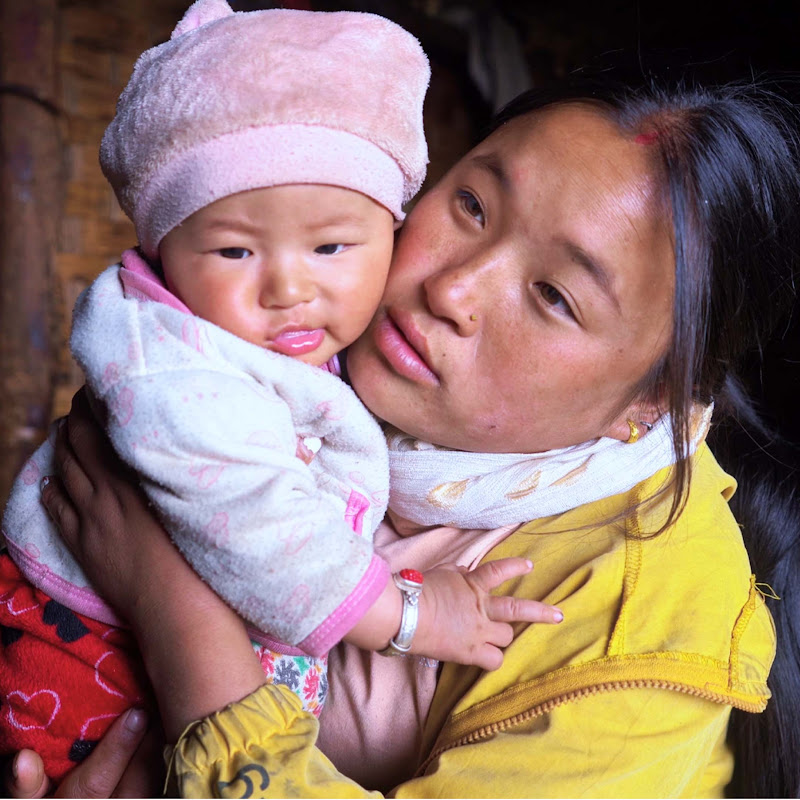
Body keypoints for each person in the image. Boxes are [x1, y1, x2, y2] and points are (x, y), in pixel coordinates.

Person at [7, 75, 800, 797]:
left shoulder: (646, 630)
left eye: (555, 295)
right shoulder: (277, 364)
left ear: (654, 402)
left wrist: (176, 613)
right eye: (474, 206)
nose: (452, 287)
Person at [0, 0, 562, 783]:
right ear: (163, 252)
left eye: (331, 246)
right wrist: (409, 614)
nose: (289, 290)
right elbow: (252, 521)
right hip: (81, 655)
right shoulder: (172, 370)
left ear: (392, 229)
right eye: (235, 251)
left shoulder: (312, 350)